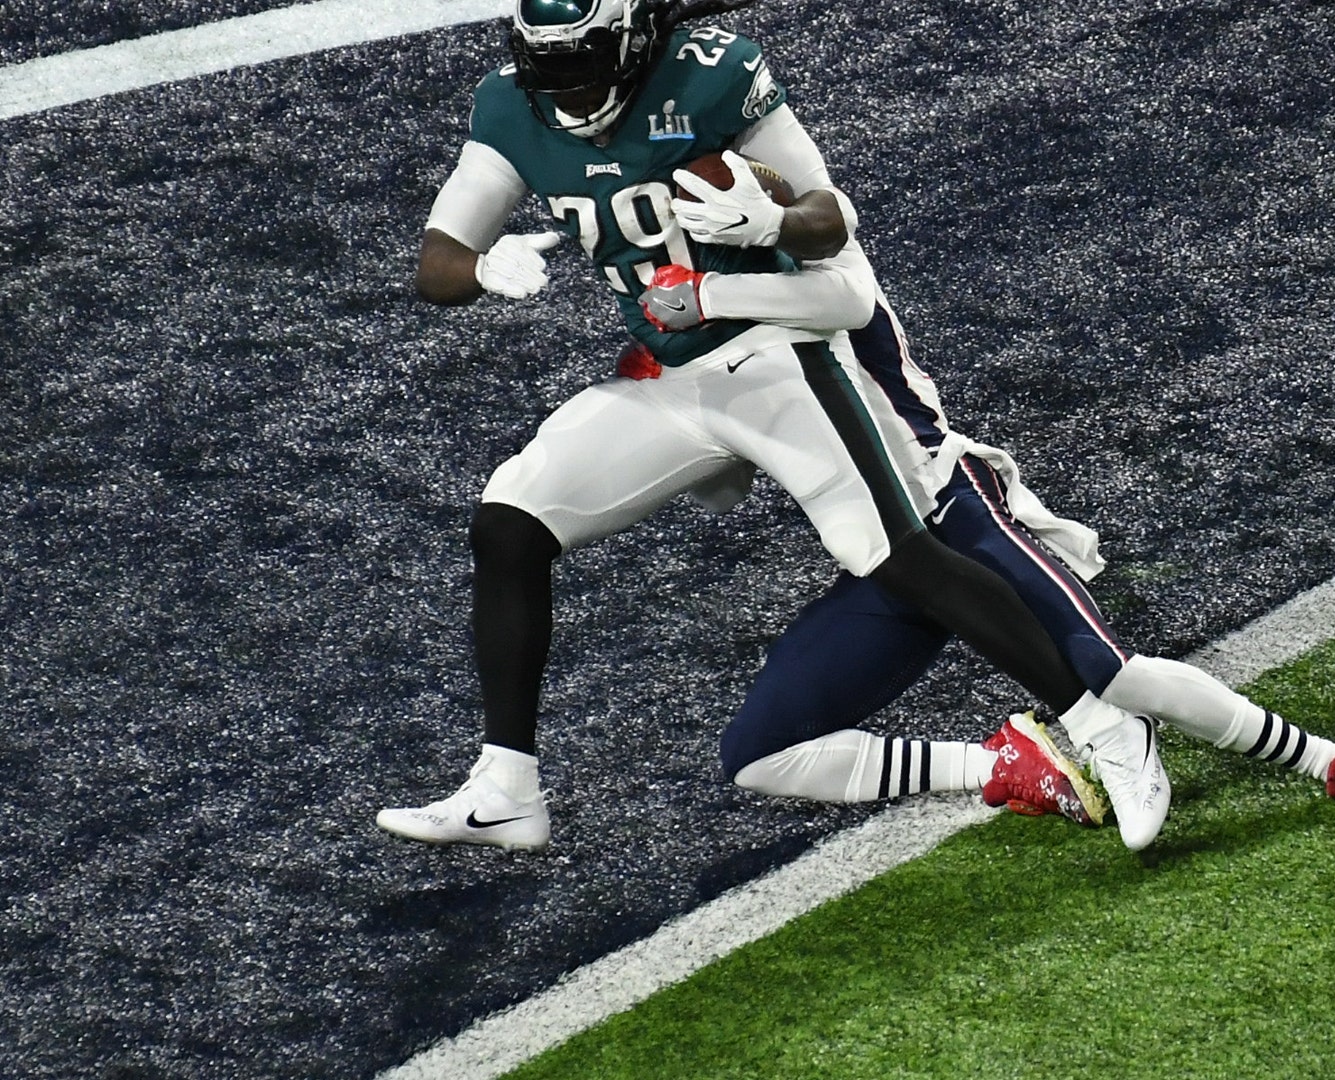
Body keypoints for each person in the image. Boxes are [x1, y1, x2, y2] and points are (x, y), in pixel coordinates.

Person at [375, 0, 1165, 853]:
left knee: (895, 555)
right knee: (508, 524)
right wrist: (485, 266)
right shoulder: (511, 104)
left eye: (585, 68)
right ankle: (507, 787)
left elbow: (832, 218)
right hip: (672, 376)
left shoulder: (711, 75)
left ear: (633, 46)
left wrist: (772, 222)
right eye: (551, 72)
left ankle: (1104, 726)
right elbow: (437, 262)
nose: (570, 97)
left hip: (775, 352)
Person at [650, 279, 1335, 827]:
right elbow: (721, 489)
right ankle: (1001, 766)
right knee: (759, 752)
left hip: (949, 510)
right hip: (886, 560)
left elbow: (827, 286)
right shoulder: (713, 326)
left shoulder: (811, 281)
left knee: (1113, 675)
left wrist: (699, 327)